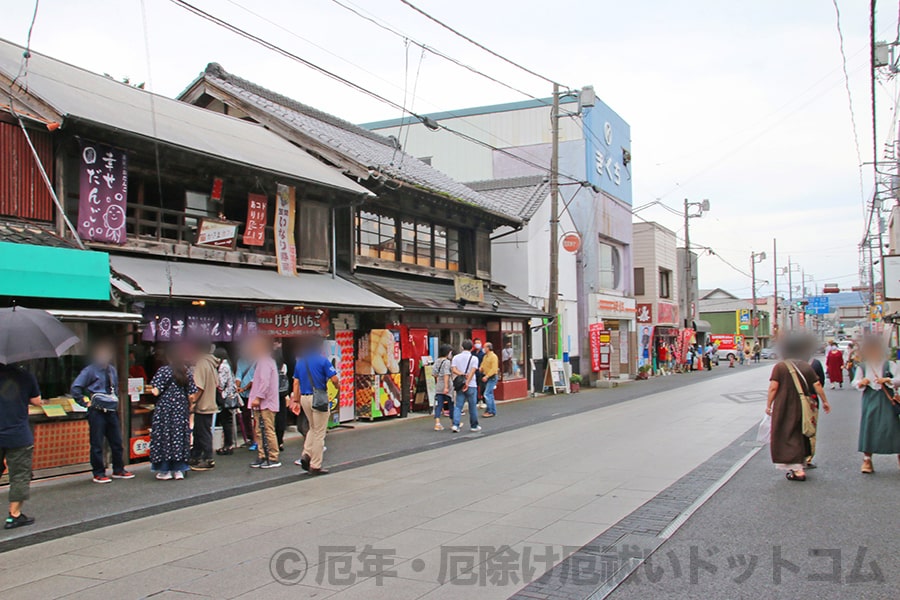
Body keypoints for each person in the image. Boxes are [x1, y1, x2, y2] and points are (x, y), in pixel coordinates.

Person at [765, 335, 830, 482]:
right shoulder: (805, 366)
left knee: (786, 433)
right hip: (803, 406)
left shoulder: (780, 367)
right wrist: (825, 402)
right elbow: (817, 385)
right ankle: (801, 461)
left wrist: (769, 405)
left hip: (784, 405)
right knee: (801, 432)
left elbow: (773, 388)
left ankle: (797, 469)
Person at [71, 341, 134, 484]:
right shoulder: (90, 370)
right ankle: (98, 472)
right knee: (97, 443)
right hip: (96, 411)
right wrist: (84, 402)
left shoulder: (112, 370)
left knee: (117, 441)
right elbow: (76, 387)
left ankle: (119, 469)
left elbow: (115, 388)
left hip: (111, 410)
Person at [0, 362, 42, 529]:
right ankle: (14, 516)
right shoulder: (24, 375)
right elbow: (37, 401)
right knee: (19, 475)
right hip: (18, 434)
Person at [851, 336, 900, 474]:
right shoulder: (863, 366)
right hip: (870, 397)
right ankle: (867, 459)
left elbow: (899, 379)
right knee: (869, 425)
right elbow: (855, 382)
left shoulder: (890, 365)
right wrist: (861, 383)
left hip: (887, 398)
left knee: (893, 426)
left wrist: (889, 380)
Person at [292, 336, 339, 475]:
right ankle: (315, 464)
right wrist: (338, 387)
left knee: (313, 427)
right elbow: (334, 379)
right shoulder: (322, 361)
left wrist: (296, 400)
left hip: (304, 398)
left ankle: (306, 454)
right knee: (320, 432)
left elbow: (296, 382)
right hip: (319, 398)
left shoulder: (301, 362)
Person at [148, 347, 196, 480]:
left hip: (165, 409)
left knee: (164, 437)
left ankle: (165, 471)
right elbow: (192, 394)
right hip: (181, 409)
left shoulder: (163, 371)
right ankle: (179, 470)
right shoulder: (186, 372)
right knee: (179, 437)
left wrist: (152, 389)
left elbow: (156, 391)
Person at [248, 335, 280, 469]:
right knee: (261, 430)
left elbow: (264, 382)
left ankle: (272, 456)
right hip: (263, 403)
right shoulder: (264, 361)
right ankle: (262, 455)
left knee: (267, 430)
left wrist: (258, 398)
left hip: (265, 403)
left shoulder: (265, 361)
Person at [189, 343, 219, 471]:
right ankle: (195, 455)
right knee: (199, 431)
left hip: (203, 404)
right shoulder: (212, 363)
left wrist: (193, 400)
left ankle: (208, 458)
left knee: (203, 432)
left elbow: (199, 386)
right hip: (210, 402)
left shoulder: (202, 363)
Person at [451, 339, 481, 434]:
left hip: (460, 384)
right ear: (472, 347)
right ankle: (474, 425)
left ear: (462, 347)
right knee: (472, 406)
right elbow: (472, 371)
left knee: (458, 406)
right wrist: (467, 382)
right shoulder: (474, 358)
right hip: (471, 385)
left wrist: (462, 374)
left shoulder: (456, 357)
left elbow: (453, 369)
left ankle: (455, 424)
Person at [215, 347, 240, 455]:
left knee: (226, 421)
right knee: (227, 421)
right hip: (228, 395)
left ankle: (228, 445)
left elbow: (220, 383)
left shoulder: (223, 366)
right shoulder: (228, 364)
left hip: (225, 397)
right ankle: (228, 444)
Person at [234, 347, 256, 450]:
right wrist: (237, 387)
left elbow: (255, 378)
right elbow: (238, 375)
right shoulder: (241, 360)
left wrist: (244, 388)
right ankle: (250, 438)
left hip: (254, 393)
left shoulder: (258, 361)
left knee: (255, 417)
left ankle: (256, 439)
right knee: (245, 415)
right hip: (243, 394)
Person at [273, 339, 290, 451]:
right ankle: (280, 441)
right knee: (281, 418)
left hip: (271, 395)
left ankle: (273, 443)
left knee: (271, 420)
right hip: (283, 393)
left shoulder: (270, 365)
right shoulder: (284, 366)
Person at [432, 344, 453, 431]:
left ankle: (437, 423)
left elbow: (434, 374)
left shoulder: (437, 361)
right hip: (446, 384)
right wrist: (446, 386)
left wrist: (438, 382)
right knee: (451, 403)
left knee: (439, 405)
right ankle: (453, 422)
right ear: (447, 353)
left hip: (438, 384)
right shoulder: (447, 362)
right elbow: (446, 374)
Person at [481, 342, 499, 418]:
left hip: (492, 377)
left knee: (487, 394)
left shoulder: (493, 357)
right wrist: (481, 369)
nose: (483, 349)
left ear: (488, 348)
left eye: (484, 347)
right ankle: (492, 410)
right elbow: (483, 365)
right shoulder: (485, 356)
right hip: (487, 376)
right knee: (490, 394)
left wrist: (487, 376)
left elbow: (494, 369)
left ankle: (490, 410)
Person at [472, 338, 486, 408]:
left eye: (479, 342)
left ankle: (483, 400)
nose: (477, 344)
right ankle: (476, 400)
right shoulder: (472, 353)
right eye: (476, 343)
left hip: (481, 372)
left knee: (482, 386)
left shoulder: (483, 353)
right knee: (475, 386)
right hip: (474, 372)